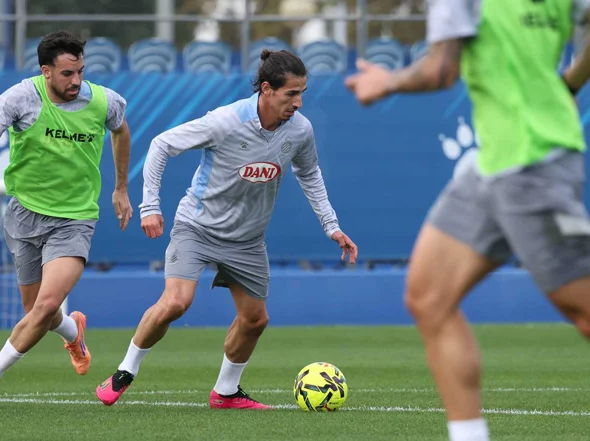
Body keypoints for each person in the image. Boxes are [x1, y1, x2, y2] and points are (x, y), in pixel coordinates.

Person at [345, 1, 590, 440]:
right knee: (429, 297)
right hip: (493, 163)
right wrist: (569, 82)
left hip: (530, 164)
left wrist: (386, 82)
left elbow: (441, 69)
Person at [95, 49, 358, 409]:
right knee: (176, 303)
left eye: (302, 93)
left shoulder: (300, 130)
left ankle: (226, 392)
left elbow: (309, 174)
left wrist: (332, 226)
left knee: (255, 320)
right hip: (197, 227)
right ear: (266, 89)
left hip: (247, 240)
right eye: (291, 94)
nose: (298, 103)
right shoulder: (226, 121)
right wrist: (150, 206)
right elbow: (161, 145)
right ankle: (125, 371)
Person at [0, 30, 133, 408]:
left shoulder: (105, 101)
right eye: (67, 74)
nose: (76, 81)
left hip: (75, 219)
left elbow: (121, 131)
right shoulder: (20, 98)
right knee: (37, 313)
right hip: (25, 215)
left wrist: (121, 188)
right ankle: (74, 333)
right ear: (46, 71)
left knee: (44, 306)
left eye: (81, 72)